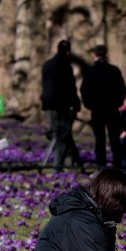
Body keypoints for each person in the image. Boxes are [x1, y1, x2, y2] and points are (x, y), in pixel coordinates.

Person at [80, 45, 126, 169]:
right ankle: (117, 162)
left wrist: (89, 104)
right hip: (111, 108)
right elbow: (121, 89)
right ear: (106, 55)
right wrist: (117, 102)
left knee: (99, 138)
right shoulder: (114, 70)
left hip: (97, 108)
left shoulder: (90, 71)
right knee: (114, 138)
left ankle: (101, 163)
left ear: (94, 55)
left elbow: (84, 90)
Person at [40, 39, 83, 172]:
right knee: (62, 135)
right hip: (62, 106)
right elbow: (70, 87)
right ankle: (57, 166)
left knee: (61, 133)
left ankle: (76, 161)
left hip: (49, 105)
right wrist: (76, 104)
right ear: (68, 51)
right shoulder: (65, 66)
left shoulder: (47, 64)